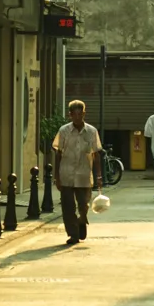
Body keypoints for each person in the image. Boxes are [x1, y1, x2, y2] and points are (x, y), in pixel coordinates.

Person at [53, 99, 103, 245]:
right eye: (74, 115)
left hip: (84, 174)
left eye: (80, 114)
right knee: (68, 207)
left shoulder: (92, 132)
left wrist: (99, 175)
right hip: (66, 173)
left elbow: (96, 154)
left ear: (84, 114)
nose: (77, 117)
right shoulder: (64, 131)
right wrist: (57, 176)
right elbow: (58, 154)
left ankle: (82, 220)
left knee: (83, 204)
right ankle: (73, 234)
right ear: (70, 115)